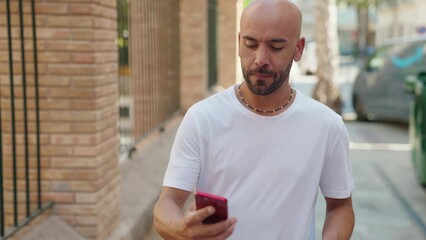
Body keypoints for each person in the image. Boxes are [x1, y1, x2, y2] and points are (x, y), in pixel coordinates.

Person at [153, 0, 355, 239]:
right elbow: (167, 203)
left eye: (276, 47)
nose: (260, 59)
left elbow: (340, 206)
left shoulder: (326, 125)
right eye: (250, 44)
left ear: (298, 49)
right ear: (239, 44)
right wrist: (179, 228)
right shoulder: (202, 119)